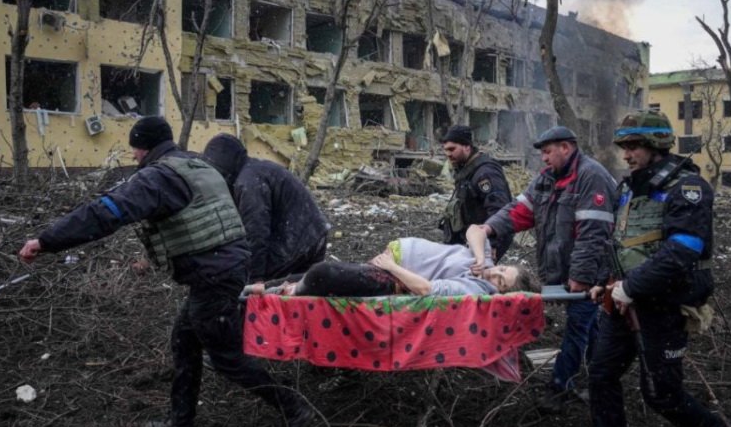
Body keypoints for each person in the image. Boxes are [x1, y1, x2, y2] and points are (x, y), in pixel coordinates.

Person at [18, 117, 315, 427]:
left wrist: (47, 241)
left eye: (134, 148)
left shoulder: (158, 178)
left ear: (144, 148)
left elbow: (106, 213)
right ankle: (181, 422)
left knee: (227, 357)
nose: (132, 156)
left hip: (214, 274)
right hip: (222, 268)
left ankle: (296, 410)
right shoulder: (193, 163)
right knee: (184, 340)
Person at [568, 110, 731, 427]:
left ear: (656, 145)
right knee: (601, 374)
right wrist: (606, 282)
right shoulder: (630, 187)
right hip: (622, 302)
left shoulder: (687, 188)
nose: (627, 153)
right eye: (624, 146)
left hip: (662, 306)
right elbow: (621, 243)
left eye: (634, 146)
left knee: (662, 395)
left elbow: (683, 249)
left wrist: (630, 287)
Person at [473, 125, 617, 412]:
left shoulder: (592, 177)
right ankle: (601, 375)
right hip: (563, 270)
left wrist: (581, 277)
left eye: (548, 152)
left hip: (590, 272)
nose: (544, 159)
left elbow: (593, 234)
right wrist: (488, 228)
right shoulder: (546, 180)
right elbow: (518, 211)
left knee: (577, 326)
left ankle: (560, 386)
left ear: (566, 147)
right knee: (589, 326)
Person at [264, 226, 537, 298]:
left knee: (321, 274)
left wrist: (392, 267)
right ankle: (259, 286)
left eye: (501, 282)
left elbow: (426, 290)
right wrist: (481, 257)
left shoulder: (476, 289)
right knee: (319, 274)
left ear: (500, 293)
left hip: (394, 277)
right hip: (392, 259)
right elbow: (475, 230)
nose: (494, 275)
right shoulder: (485, 264)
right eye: (502, 270)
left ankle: (285, 292)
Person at [203, 133, 330, 282]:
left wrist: (255, 279)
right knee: (296, 292)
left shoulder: (248, 182)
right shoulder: (254, 170)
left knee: (264, 287)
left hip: (299, 240)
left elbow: (256, 232)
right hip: (311, 234)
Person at [438, 125, 514, 261]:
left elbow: (499, 209)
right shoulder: (466, 170)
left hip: (484, 241)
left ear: (467, 146)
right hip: (470, 240)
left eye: (452, 149)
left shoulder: (485, 173)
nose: (448, 154)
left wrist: (492, 244)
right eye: (445, 150)